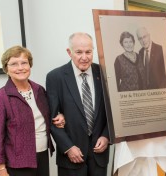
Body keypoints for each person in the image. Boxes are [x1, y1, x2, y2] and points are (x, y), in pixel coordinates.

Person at [0, 46, 65, 176]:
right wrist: (1, 170)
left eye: (24, 62)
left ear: (30, 65)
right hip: (17, 164)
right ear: (6, 68)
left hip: (42, 155)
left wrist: (59, 116)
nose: (20, 67)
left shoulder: (39, 90)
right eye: (14, 64)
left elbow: (46, 116)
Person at [46, 32, 110, 176]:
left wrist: (106, 136)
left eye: (88, 52)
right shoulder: (55, 77)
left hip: (99, 155)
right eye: (79, 52)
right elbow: (52, 118)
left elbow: (112, 111)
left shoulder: (104, 73)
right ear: (69, 52)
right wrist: (68, 147)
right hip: (70, 158)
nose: (84, 57)